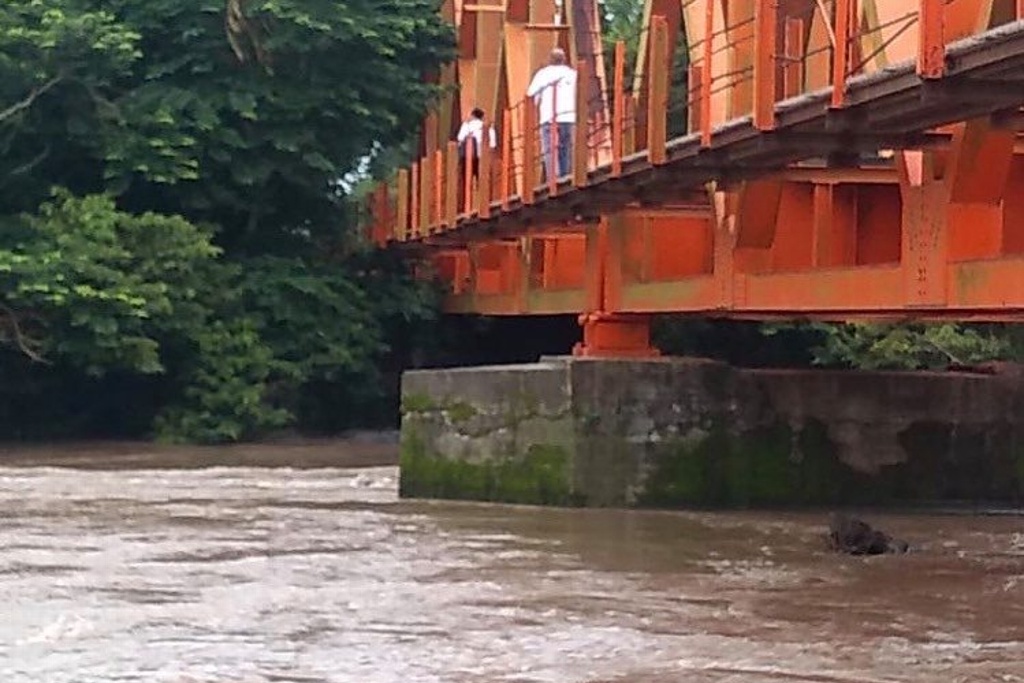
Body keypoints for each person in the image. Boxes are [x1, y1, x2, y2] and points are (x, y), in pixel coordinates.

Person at [527, 48, 577, 180]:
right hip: (569, 117)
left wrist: (537, 103)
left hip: (549, 117)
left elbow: (530, 94)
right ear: (564, 59)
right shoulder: (572, 74)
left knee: (550, 150)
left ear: (550, 59)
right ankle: (566, 177)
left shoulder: (543, 74)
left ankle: (553, 179)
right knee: (565, 148)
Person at [456, 107, 497, 178]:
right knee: (482, 180)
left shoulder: (466, 126)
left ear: (472, 116)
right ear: (482, 117)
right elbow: (493, 145)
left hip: (468, 157)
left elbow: (460, 138)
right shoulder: (490, 129)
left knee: (466, 180)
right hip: (483, 158)